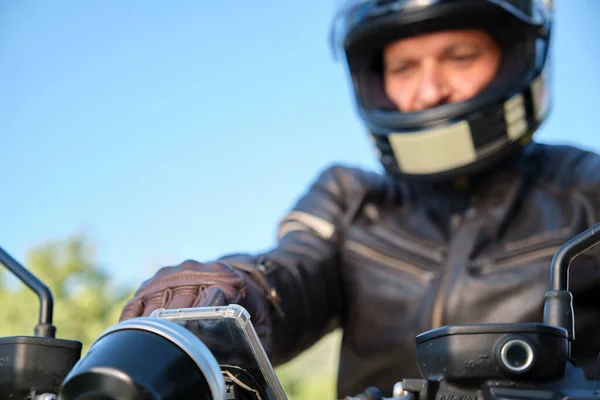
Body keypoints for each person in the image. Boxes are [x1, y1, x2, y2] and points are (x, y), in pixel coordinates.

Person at [119, 0, 600, 397]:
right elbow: (294, 270)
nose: (430, 90)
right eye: (404, 67)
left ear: (515, 55)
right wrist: (235, 291)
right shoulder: (352, 197)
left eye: (460, 56)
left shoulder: (588, 187)